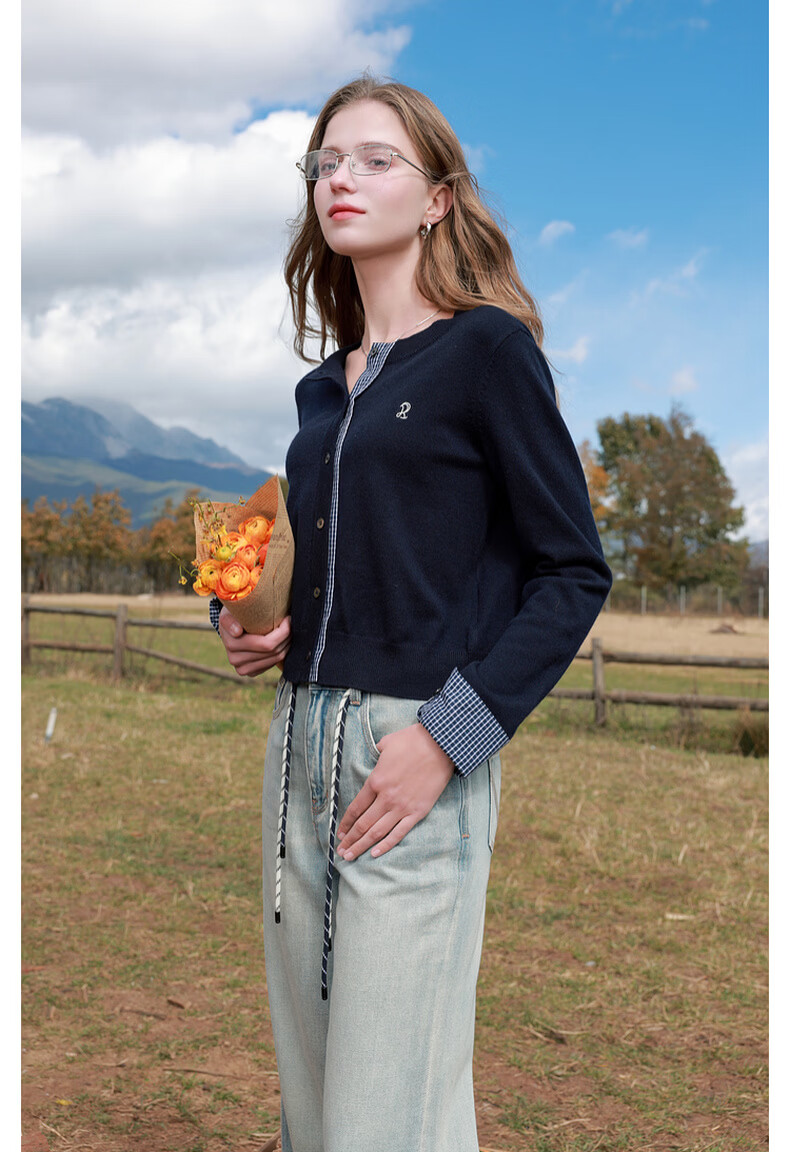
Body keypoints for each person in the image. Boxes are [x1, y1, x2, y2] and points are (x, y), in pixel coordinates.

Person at [212, 75, 612, 1152]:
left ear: (437, 197)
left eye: (375, 159)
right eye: (326, 162)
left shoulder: (487, 353)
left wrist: (447, 739)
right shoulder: (320, 395)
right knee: (314, 1100)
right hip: (296, 747)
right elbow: (315, 567)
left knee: (385, 1112)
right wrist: (239, 618)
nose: (341, 178)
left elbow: (572, 572)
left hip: (414, 750)